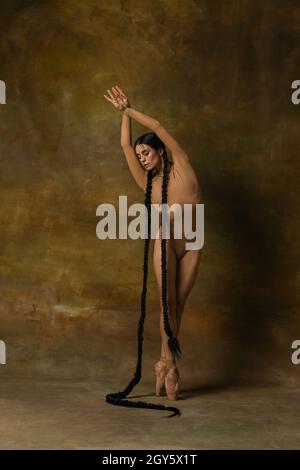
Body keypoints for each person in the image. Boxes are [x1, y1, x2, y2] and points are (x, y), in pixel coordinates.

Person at [104, 86, 203, 417]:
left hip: (193, 241)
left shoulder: (182, 168)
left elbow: (159, 126)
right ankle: (171, 366)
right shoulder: (149, 183)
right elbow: (123, 146)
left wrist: (129, 109)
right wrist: (123, 120)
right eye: (140, 154)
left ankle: (161, 360)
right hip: (166, 239)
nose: (141, 157)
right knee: (167, 302)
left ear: (161, 152)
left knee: (179, 304)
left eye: (146, 152)